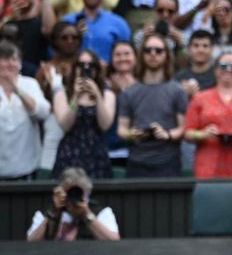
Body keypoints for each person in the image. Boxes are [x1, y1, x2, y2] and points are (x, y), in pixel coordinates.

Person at [117, 33, 188, 178]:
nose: (153, 54)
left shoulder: (177, 90)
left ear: (166, 55)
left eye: (158, 50)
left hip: (168, 163)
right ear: (141, 55)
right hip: (136, 163)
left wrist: (166, 134)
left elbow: (184, 128)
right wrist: (132, 134)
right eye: (148, 50)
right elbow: (121, 129)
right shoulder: (129, 92)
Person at [51, 49, 115, 180]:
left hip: (96, 153)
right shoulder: (61, 94)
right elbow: (65, 125)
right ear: (74, 68)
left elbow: (105, 125)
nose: (86, 69)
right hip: (70, 153)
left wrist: (97, 96)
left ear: (96, 70)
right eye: (81, 65)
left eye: (91, 66)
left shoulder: (107, 95)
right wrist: (75, 97)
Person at [0, 40, 50, 180]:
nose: (10, 63)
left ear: (20, 64)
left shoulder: (30, 84)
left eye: (14, 59)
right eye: (4, 59)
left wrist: (16, 90)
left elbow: (43, 112)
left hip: (26, 168)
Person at [26, 167, 119, 241]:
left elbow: (114, 242)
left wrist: (87, 214)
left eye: (79, 192)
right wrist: (53, 214)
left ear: (87, 193)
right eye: (70, 192)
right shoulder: (47, 214)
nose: (74, 197)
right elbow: (31, 242)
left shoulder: (102, 213)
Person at [61, 0, 130, 63]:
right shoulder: (67, 21)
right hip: (75, 72)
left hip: (107, 74)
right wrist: (75, 36)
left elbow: (126, 53)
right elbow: (57, 52)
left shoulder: (118, 23)